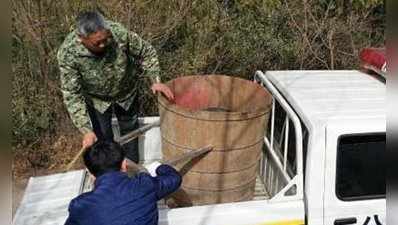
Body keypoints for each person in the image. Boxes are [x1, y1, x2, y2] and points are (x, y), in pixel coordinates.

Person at [57, 11, 174, 162]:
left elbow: (147, 52)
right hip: (97, 101)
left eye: (105, 39)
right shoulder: (68, 53)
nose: (103, 44)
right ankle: (112, 174)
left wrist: (155, 80)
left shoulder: (118, 33)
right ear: (81, 38)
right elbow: (71, 93)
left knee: (130, 133)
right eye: (96, 43)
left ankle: (131, 171)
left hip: (126, 93)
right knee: (103, 139)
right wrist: (86, 130)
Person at [64, 141, 181, 225]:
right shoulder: (144, 186)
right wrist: (157, 167)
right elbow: (174, 178)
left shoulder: (81, 206)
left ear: (90, 172)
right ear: (124, 164)